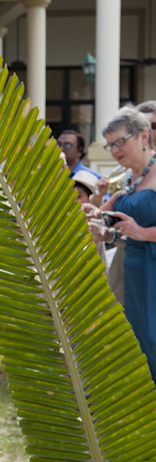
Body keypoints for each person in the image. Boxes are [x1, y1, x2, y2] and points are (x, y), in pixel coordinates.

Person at [87, 106, 156, 382]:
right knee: (134, 346)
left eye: (120, 142)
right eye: (110, 145)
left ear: (143, 136)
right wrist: (109, 235)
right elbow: (124, 228)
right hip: (131, 273)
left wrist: (143, 232)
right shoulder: (127, 178)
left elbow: (139, 230)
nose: (115, 151)